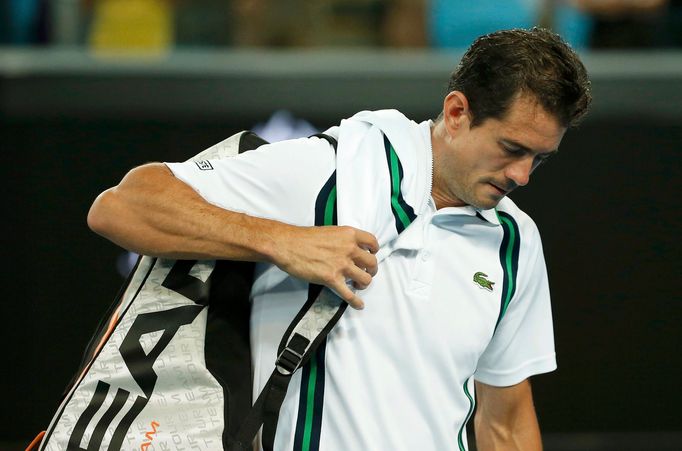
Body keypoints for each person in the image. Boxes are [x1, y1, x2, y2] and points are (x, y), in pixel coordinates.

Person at [87, 28, 591, 451]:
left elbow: (504, 421)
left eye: (540, 159)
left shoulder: (515, 241)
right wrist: (280, 240)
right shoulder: (333, 169)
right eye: (512, 148)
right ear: (457, 113)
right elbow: (121, 207)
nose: (523, 175)